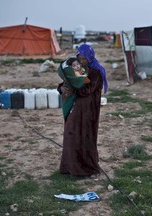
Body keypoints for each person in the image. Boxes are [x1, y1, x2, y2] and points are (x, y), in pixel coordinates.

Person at [58, 44, 108, 178]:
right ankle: (70, 167)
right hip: (77, 106)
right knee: (71, 134)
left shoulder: (96, 71)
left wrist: (74, 86)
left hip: (89, 109)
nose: (81, 61)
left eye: (84, 58)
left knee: (86, 137)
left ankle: (89, 169)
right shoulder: (80, 69)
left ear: (90, 57)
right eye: (79, 58)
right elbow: (71, 81)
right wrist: (63, 87)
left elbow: (86, 90)